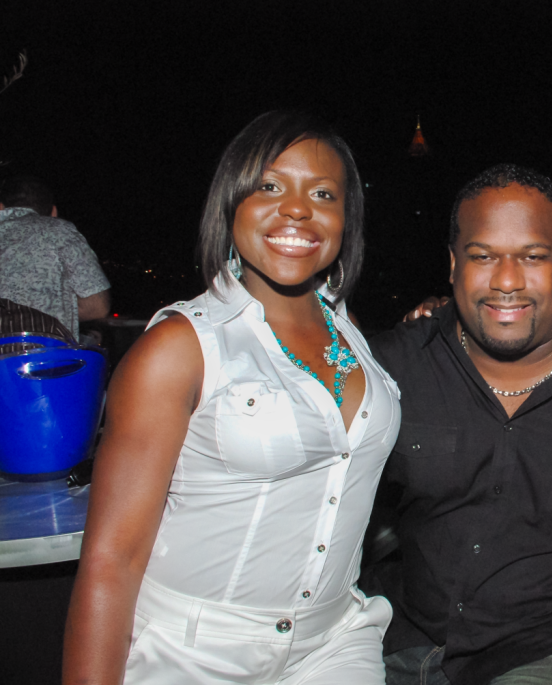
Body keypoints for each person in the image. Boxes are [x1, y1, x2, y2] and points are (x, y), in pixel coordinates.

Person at [63, 111, 399, 685]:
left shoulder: (349, 331)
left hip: (335, 644)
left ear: (346, 218)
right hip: (195, 656)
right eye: (270, 186)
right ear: (232, 203)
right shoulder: (179, 347)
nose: (297, 208)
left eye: (323, 193)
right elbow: (110, 562)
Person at [367, 164, 552, 685]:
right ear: (454, 264)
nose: (505, 281)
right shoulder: (396, 367)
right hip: (405, 641)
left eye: (532, 256)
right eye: (482, 257)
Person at [0, 176, 111, 341]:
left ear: (1, 207)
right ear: (54, 212)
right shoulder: (60, 231)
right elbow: (97, 307)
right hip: (45, 357)